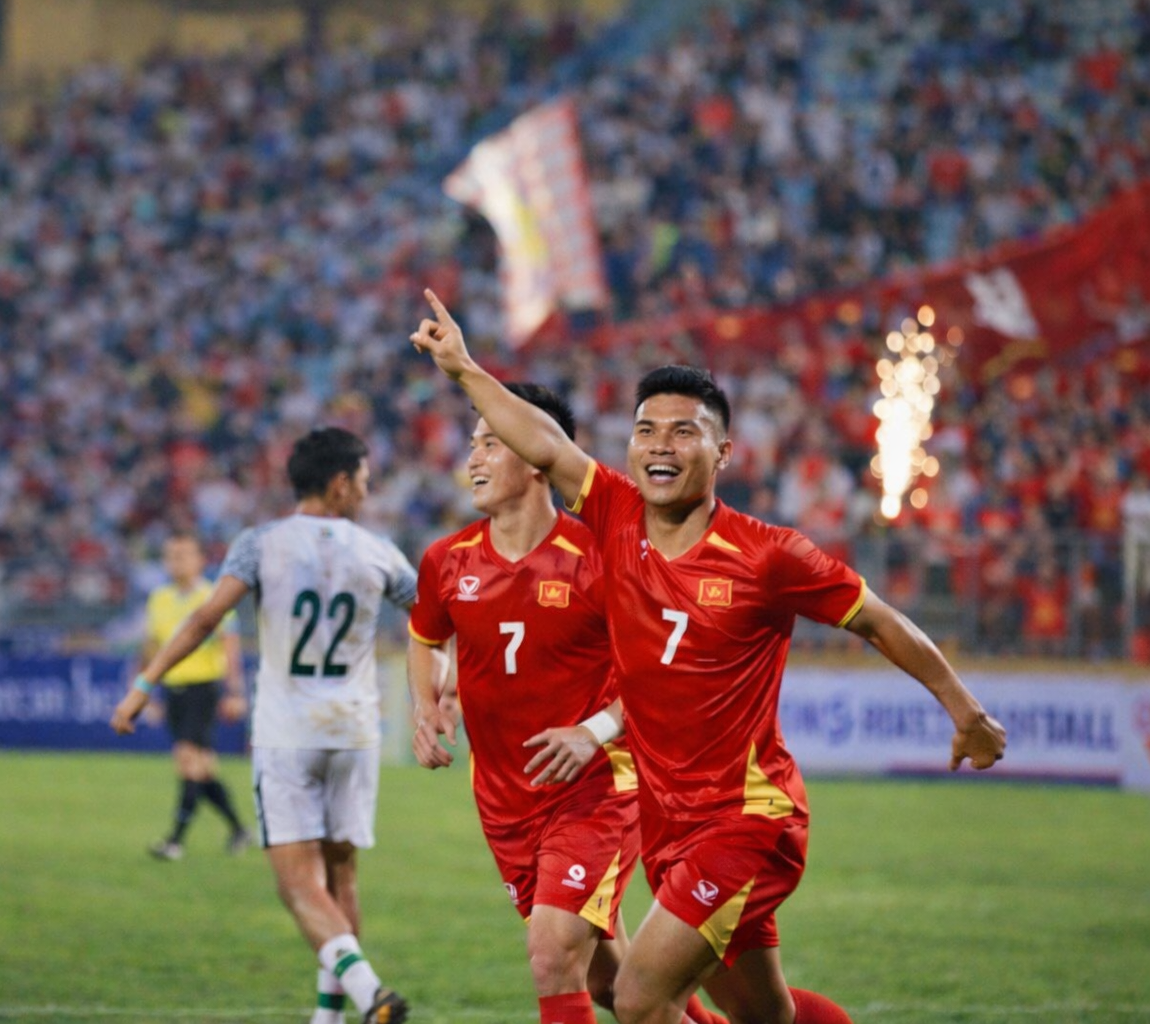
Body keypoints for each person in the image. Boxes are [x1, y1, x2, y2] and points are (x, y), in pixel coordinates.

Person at [410, 290, 1008, 1024]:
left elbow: (880, 622)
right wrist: (464, 368)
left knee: (638, 996)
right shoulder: (616, 514)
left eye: (684, 432)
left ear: (723, 452)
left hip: (748, 821)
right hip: (670, 826)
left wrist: (964, 709)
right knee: (762, 1013)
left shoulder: (769, 557)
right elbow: (544, 445)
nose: (660, 444)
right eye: (645, 430)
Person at [409, 384, 726, 1024]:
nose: (472, 459)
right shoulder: (447, 561)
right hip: (504, 801)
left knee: (552, 953)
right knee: (617, 990)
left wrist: (596, 729)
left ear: (535, 454)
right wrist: (426, 704)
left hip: (596, 790)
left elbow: (668, 675)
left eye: (491, 443)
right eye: (472, 445)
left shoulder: (602, 559)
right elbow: (425, 638)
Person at [112, 427, 417, 1024]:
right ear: (338, 484)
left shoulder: (261, 544)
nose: (367, 489)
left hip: (288, 732)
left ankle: (369, 993)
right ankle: (328, 1016)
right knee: (341, 873)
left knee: (298, 884)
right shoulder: (380, 552)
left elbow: (205, 619)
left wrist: (143, 685)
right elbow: (433, 615)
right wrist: (445, 689)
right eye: (363, 478)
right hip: (354, 730)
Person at [138, 532, 251, 861]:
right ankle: (238, 829)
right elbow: (151, 647)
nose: (176, 561)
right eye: (171, 555)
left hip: (204, 688)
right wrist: (147, 690)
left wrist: (233, 691)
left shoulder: (212, 596)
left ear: (201, 560)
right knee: (201, 769)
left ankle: (175, 841)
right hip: (173, 690)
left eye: (183, 555)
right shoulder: (158, 598)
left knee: (187, 760)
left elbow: (230, 647)